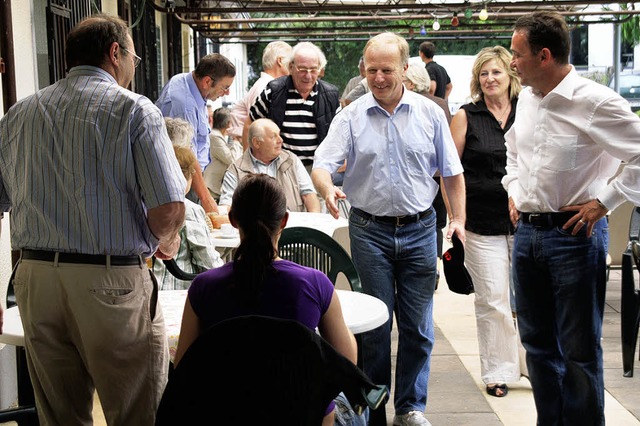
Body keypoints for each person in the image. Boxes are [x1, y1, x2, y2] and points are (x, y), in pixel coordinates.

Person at [0, 14, 186, 425]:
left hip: (35, 280)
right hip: (110, 282)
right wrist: (166, 241)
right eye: (134, 56)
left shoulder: (18, 114)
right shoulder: (135, 110)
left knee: (60, 416)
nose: (135, 67)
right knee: (137, 412)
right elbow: (170, 208)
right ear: (115, 53)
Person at [312, 32, 466, 426]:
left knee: (418, 326)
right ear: (363, 69)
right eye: (372, 70)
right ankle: (375, 405)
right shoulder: (351, 115)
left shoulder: (430, 113)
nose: (378, 78)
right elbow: (321, 165)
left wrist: (458, 220)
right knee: (377, 325)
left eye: (387, 70)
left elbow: (452, 172)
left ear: (404, 70)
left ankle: (411, 407)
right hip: (370, 230)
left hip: (420, 229)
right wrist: (328, 189)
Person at [504, 11, 640, 424]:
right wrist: (514, 189)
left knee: (579, 351)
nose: (512, 62)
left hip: (573, 236)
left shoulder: (595, 101)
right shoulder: (527, 98)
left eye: (517, 54)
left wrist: (605, 201)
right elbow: (514, 150)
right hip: (527, 235)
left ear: (544, 56)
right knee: (538, 347)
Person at [173, 173, 358, 426]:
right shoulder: (314, 285)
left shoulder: (203, 288)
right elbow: (346, 363)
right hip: (302, 418)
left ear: (234, 219)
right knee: (355, 405)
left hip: (226, 415)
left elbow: (185, 369)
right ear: (283, 221)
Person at [449, 46, 524, 397]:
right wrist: (455, 217)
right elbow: (448, 170)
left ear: (510, 74)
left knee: (527, 299)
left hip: (529, 219)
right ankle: (498, 371)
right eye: (484, 74)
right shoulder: (467, 115)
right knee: (493, 298)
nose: (490, 79)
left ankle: (531, 366)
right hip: (480, 220)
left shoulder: (530, 109)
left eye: (496, 72)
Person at [156, 53, 236, 215]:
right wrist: (207, 200)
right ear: (207, 81)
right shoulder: (184, 105)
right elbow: (187, 158)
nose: (227, 93)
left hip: (193, 177)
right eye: (225, 87)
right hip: (184, 181)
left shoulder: (188, 82)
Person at [245, 42, 341, 171]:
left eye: (313, 70)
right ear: (291, 67)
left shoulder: (331, 95)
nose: (308, 76)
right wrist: (249, 165)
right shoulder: (273, 91)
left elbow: (341, 133)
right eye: (302, 70)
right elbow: (250, 124)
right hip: (282, 167)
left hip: (318, 169)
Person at [153, 121, 223, 290]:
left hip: (149, 289)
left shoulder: (143, 203)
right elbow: (208, 263)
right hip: (178, 290)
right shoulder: (188, 209)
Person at [404, 63, 451, 288]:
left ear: (411, 83)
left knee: (418, 222)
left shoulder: (411, 105)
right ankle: (433, 269)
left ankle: (420, 269)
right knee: (436, 224)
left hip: (415, 177)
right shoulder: (441, 103)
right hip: (438, 176)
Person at [220, 118, 320, 213]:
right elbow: (227, 206)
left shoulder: (291, 160)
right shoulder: (236, 171)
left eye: (279, 135)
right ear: (257, 143)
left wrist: (314, 220)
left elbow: (308, 194)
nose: (280, 140)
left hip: (292, 228)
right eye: (273, 137)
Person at [228, 41, 292, 140]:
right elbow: (258, 130)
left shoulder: (266, 86)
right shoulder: (264, 88)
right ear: (280, 61)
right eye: (291, 61)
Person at [203, 107, 242, 201]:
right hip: (212, 188)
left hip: (216, 188)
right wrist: (236, 141)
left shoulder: (219, 136)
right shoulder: (214, 137)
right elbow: (232, 160)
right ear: (229, 123)